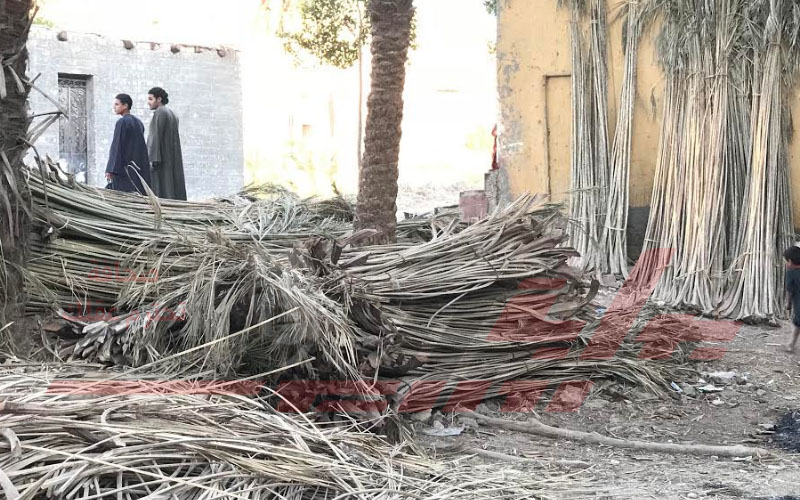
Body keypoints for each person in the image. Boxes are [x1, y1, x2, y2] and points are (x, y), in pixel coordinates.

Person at [106, 94, 151, 194]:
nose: (114, 107)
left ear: (125, 105)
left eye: (117, 104)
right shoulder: (139, 123)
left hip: (124, 169)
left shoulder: (121, 122)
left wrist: (110, 169)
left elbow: (117, 146)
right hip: (138, 167)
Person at [147, 87, 187, 200]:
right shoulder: (172, 114)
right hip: (170, 158)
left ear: (159, 99)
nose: (148, 102)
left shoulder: (160, 112)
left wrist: (151, 160)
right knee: (171, 187)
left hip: (160, 160)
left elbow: (155, 137)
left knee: (161, 189)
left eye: (150, 99)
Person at [784, 245, 800, 353]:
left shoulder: (791, 272)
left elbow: (789, 290)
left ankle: (791, 344)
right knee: (797, 323)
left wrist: (788, 303)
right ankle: (791, 344)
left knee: (797, 322)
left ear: (790, 261)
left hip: (798, 304)